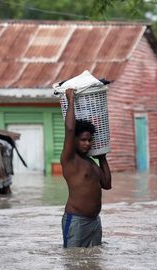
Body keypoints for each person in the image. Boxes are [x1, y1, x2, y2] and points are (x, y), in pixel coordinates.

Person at [60, 88, 112, 248]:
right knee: (73, 261)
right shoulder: (70, 159)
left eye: (90, 140)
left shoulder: (91, 162)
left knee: (93, 262)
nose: (87, 143)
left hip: (94, 221)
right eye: (83, 140)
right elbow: (69, 130)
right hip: (76, 220)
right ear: (74, 141)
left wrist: (102, 155)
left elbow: (107, 184)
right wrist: (71, 100)